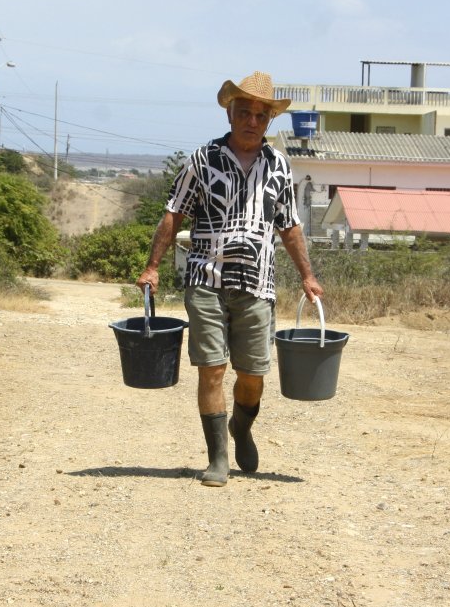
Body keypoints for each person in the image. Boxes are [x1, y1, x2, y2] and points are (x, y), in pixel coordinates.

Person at [136, 70, 323, 488]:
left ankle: (242, 426)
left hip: (257, 284)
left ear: (269, 120)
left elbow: (289, 226)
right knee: (212, 370)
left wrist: (308, 276)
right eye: (244, 112)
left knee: (253, 376)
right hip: (206, 277)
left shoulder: (278, 166)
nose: (251, 120)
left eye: (260, 114)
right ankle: (218, 456)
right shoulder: (202, 160)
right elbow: (173, 213)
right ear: (230, 113)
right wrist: (152, 267)